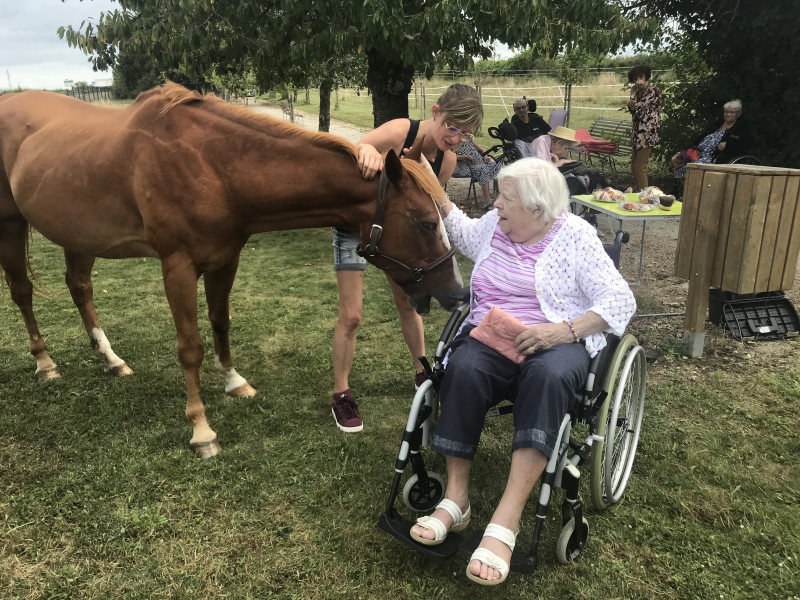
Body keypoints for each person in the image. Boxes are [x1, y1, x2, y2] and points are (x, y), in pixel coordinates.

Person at [408, 157, 636, 586]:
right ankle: (457, 500)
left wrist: (562, 331)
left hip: (556, 340)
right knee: (463, 367)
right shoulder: (495, 228)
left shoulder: (576, 237)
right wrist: (428, 180)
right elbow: (458, 227)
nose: (494, 205)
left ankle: (507, 519)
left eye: (504, 198)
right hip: (495, 335)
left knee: (548, 378)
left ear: (536, 208)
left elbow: (620, 301)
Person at [331, 83, 484, 433]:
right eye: (453, 127)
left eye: (466, 133)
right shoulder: (401, 130)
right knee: (352, 315)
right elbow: (354, 152)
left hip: (393, 234)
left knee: (409, 303)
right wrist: (366, 152)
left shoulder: (446, 161)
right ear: (435, 112)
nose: (456, 137)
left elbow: (427, 205)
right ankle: (341, 392)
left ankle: (422, 372)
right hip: (353, 228)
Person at [671, 99, 753, 196]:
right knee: (677, 159)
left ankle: (692, 194)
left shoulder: (741, 128)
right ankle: (685, 191)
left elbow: (744, 145)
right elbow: (701, 137)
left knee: (691, 166)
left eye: (732, 112)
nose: (728, 114)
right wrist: (694, 149)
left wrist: (728, 145)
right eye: (726, 112)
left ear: (738, 114)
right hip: (699, 153)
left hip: (715, 157)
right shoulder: (718, 123)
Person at [626, 65, 661, 192]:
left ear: (646, 76)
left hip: (647, 134)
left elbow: (638, 107)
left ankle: (645, 195)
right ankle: (641, 192)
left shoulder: (653, 91)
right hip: (637, 133)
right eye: (635, 78)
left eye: (640, 77)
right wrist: (632, 99)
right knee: (634, 167)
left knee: (641, 167)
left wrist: (632, 96)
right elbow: (632, 110)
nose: (638, 81)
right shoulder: (639, 91)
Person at [453, 139, 501, 211]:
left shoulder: (467, 138)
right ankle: (487, 201)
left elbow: (481, 149)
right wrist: (466, 157)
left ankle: (499, 193)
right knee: (482, 169)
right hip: (466, 166)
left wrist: (485, 156)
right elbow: (450, 156)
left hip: (480, 163)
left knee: (497, 165)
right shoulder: (453, 141)